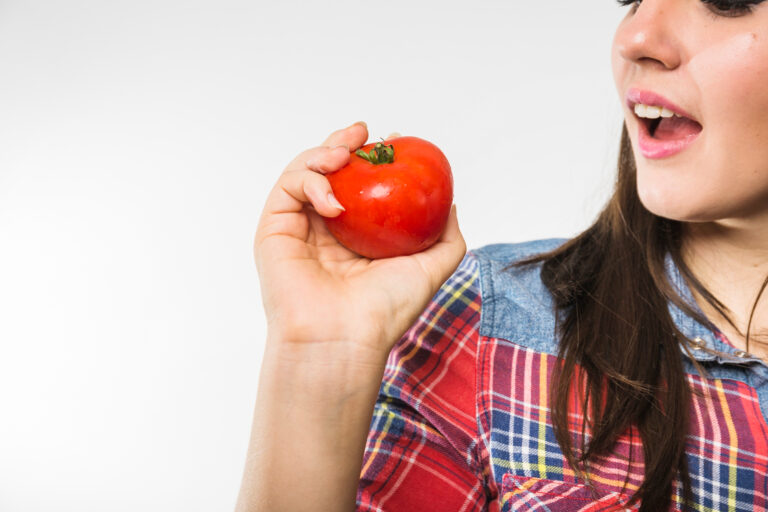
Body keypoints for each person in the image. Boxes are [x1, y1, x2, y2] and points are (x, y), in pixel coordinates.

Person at [235, 1, 768, 510]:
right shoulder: (487, 327)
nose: (634, 37)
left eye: (727, 0)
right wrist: (321, 355)